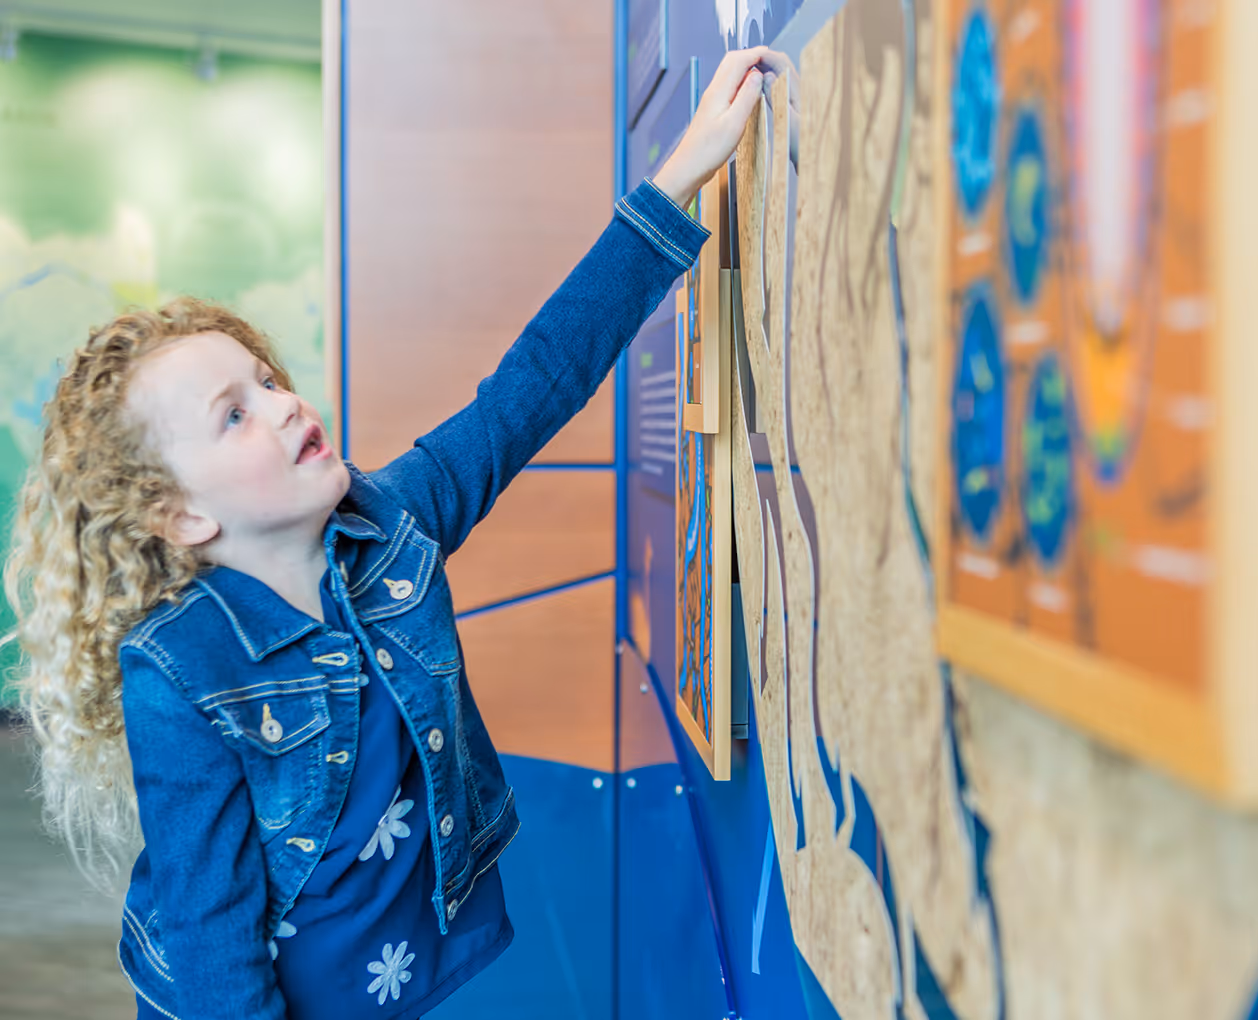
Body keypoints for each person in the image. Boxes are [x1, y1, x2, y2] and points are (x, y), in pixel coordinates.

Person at [2, 46, 775, 1020]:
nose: (283, 407)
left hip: (382, 984)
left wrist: (677, 181)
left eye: (270, 382)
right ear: (183, 516)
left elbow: (533, 386)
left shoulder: (391, 525)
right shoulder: (179, 672)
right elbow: (213, 949)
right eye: (234, 415)